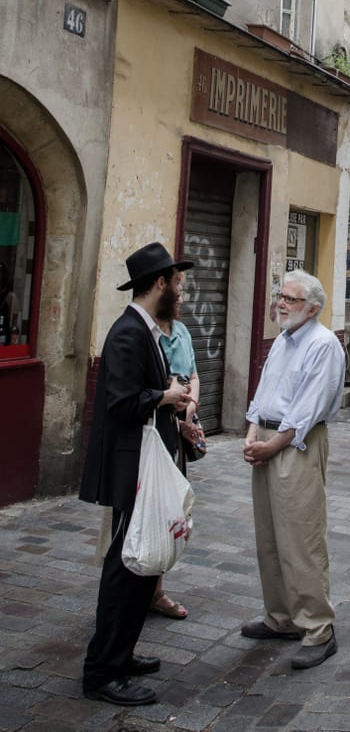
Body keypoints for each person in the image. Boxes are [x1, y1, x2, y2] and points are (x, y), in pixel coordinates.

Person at [80, 243, 195, 706]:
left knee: (142, 565)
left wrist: (174, 402)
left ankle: (122, 654)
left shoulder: (148, 328)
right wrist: (166, 396)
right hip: (132, 466)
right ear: (160, 284)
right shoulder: (128, 332)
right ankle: (102, 670)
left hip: (149, 461)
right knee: (125, 567)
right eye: (179, 285)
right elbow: (121, 402)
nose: (183, 294)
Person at [242, 270, 345, 670]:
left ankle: (318, 627)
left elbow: (307, 408)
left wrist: (272, 445)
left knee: (301, 538)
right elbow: (265, 389)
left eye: (291, 299)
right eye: (280, 296)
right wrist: (252, 430)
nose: (281, 304)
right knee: (269, 536)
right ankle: (281, 616)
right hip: (268, 440)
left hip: (296, 445)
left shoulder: (323, 345)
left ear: (313, 308)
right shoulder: (284, 340)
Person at [150, 274, 205, 620]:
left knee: (171, 508)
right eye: (178, 290)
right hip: (154, 429)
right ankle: (147, 587)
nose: (182, 297)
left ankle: (155, 588)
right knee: (151, 507)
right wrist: (174, 403)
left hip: (179, 427)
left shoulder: (182, 332)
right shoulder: (147, 334)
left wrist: (191, 409)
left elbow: (194, 375)